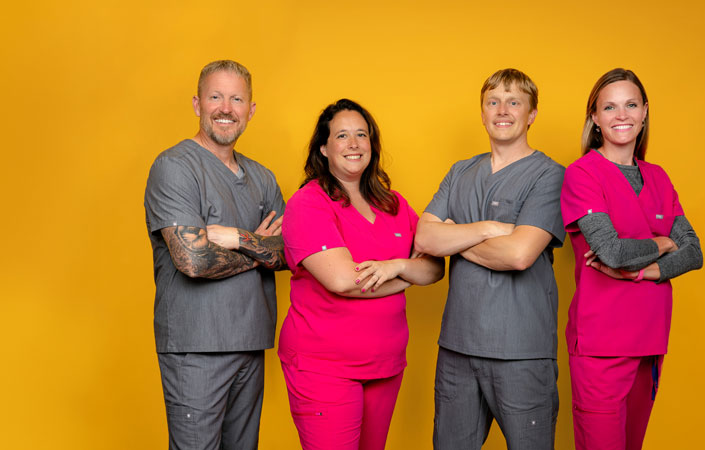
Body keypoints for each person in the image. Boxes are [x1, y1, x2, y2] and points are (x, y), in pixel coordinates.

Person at [278, 98, 445, 450]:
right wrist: (406, 277)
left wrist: (396, 266)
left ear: (372, 144)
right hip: (324, 367)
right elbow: (342, 281)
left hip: (385, 365)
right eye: (342, 136)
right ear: (323, 148)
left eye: (361, 135)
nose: (354, 144)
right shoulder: (309, 204)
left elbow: (434, 267)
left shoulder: (394, 204)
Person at [415, 68, 565, 449]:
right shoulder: (460, 171)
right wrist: (485, 228)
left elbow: (518, 254)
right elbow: (425, 236)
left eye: (514, 102)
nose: (503, 110)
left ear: (531, 114)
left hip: (521, 353)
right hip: (456, 350)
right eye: (493, 101)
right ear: (482, 113)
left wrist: (453, 235)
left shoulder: (549, 175)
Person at [144, 60, 287, 450]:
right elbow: (193, 261)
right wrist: (258, 245)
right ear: (197, 104)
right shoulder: (174, 167)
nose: (226, 108)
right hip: (196, 348)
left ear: (251, 110)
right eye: (216, 97)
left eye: (237, 98)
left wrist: (238, 238)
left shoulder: (263, 177)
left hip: (250, 343)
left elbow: (288, 253)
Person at [560, 68, 704, 450]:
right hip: (602, 345)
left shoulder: (658, 177)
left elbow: (694, 251)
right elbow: (611, 252)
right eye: (609, 107)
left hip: (651, 341)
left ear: (644, 113)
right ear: (594, 117)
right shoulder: (582, 174)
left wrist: (646, 273)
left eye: (630, 105)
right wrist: (661, 243)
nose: (621, 115)